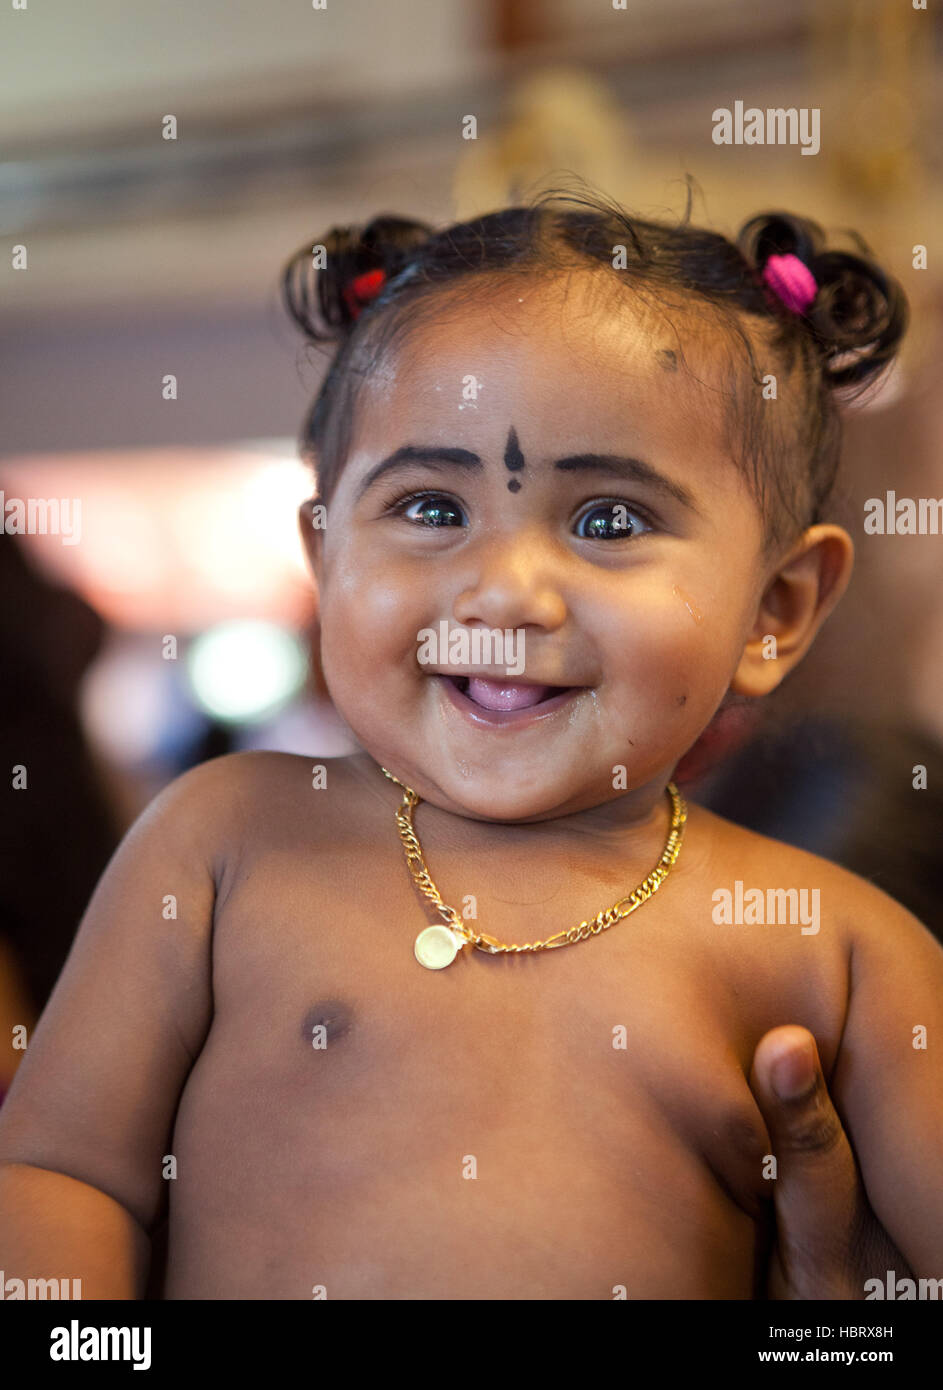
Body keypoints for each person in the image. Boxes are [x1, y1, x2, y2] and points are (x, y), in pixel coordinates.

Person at [0, 186, 938, 1299]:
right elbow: (61, 1171)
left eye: (608, 520)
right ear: (327, 553)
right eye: (433, 508)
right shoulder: (222, 845)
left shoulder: (835, 951)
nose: (504, 591)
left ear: (776, 607)